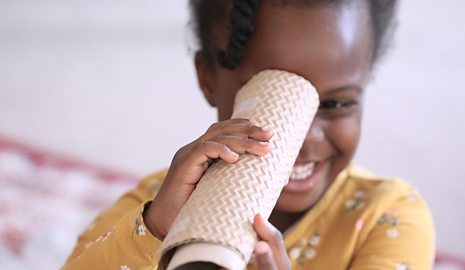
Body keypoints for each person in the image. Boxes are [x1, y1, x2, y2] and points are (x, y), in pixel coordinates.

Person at [62, 0, 435, 269]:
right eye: (275, 104)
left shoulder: (387, 217)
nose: (302, 140)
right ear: (208, 78)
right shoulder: (153, 206)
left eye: (337, 105)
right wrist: (155, 230)